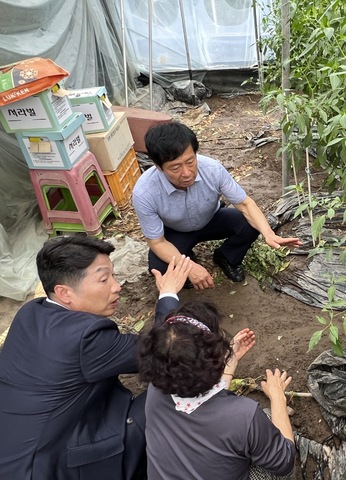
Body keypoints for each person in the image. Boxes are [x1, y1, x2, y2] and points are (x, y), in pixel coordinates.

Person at [0, 235, 192, 480]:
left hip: (17, 451)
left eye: (113, 275)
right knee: (172, 387)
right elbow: (163, 349)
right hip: (52, 467)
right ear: (64, 293)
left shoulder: (31, 311)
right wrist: (168, 294)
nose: (116, 286)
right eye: (104, 279)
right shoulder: (86, 339)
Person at [132, 121, 301, 289]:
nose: (186, 173)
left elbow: (245, 204)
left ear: (195, 153)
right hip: (175, 230)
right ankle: (187, 261)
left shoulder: (212, 169)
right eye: (175, 167)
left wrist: (269, 234)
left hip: (211, 218)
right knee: (161, 269)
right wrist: (189, 267)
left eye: (190, 161)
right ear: (158, 167)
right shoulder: (145, 192)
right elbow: (157, 242)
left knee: (248, 224)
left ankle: (226, 257)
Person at [138, 301, 296, 480]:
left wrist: (229, 362)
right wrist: (278, 397)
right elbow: (285, 463)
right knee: (269, 421)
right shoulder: (244, 415)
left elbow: (200, 397)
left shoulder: (155, 392)